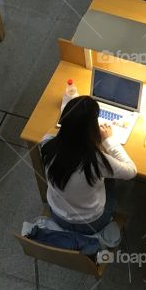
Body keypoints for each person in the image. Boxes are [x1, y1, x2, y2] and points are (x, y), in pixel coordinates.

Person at [40, 96, 136, 235]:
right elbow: (131, 171)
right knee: (110, 179)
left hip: (57, 215)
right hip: (91, 223)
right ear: (92, 129)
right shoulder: (96, 161)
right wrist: (109, 140)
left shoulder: (47, 143)